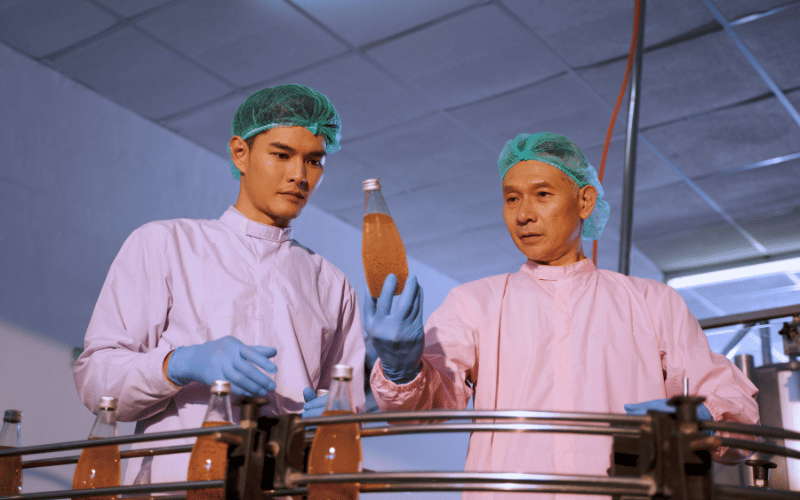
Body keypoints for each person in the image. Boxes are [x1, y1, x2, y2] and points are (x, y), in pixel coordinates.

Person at [364, 132, 759, 499]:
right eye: (512, 198)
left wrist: (702, 418)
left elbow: (738, 416)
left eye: (542, 194)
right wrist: (403, 370)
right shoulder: (476, 303)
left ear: (585, 202)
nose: (523, 215)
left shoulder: (652, 302)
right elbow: (421, 413)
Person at [73, 84, 366, 486]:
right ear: (239, 153)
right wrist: (178, 363)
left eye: (314, 161)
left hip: (283, 487)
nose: (299, 175)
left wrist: (336, 420)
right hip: (177, 486)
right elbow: (97, 381)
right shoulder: (166, 244)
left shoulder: (332, 285)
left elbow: (348, 412)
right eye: (281, 155)